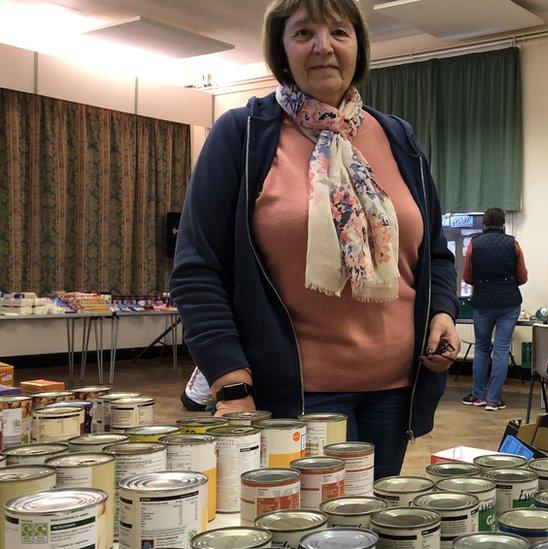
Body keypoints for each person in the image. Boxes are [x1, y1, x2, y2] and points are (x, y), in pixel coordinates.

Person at [170, 0, 460, 479]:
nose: (323, 46)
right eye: (304, 33)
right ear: (282, 50)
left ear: (358, 47)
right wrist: (230, 385)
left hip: (395, 392)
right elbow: (196, 270)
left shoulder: (398, 137)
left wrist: (443, 311)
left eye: (339, 33)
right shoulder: (242, 136)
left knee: (368, 528)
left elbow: (434, 253)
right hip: (292, 398)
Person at [461, 208, 528, 411]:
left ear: (484, 224)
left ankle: (478, 396)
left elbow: (467, 277)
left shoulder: (474, 244)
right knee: (500, 350)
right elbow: (523, 277)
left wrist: (483, 283)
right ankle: (493, 400)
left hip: (483, 303)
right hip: (509, 304)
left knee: (481, 349)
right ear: (503, 224)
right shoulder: (513, 244)